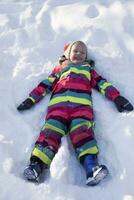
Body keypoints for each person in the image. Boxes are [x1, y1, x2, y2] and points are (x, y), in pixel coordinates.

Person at [17, 41, 133, 186]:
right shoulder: (61, 69)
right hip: (58, 109)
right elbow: (45, 85)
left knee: (83, 134)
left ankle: (92, 168)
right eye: (75, 51)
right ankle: (36, 166)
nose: (79, 54)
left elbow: (103, 84)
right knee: (50, 133)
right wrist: (31, 99)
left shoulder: (89, 70)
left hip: (81, 110)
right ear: (68, 54)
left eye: (82, 52)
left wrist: (117, 97)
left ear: (86, 57)